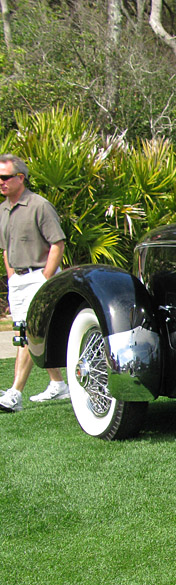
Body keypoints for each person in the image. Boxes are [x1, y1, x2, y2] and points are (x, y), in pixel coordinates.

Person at [0, 154, 68, 413]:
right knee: (23, 334)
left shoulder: (39, 205)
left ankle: (14, 394)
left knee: (28, 333)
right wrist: (11, 277)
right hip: (18, 279)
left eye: (5, 177)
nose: (1, 182)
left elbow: (57, 244)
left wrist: (45, 278)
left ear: (20, 178)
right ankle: (57, 384)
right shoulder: (3, 210)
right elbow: (5, 249)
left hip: (39, 276)